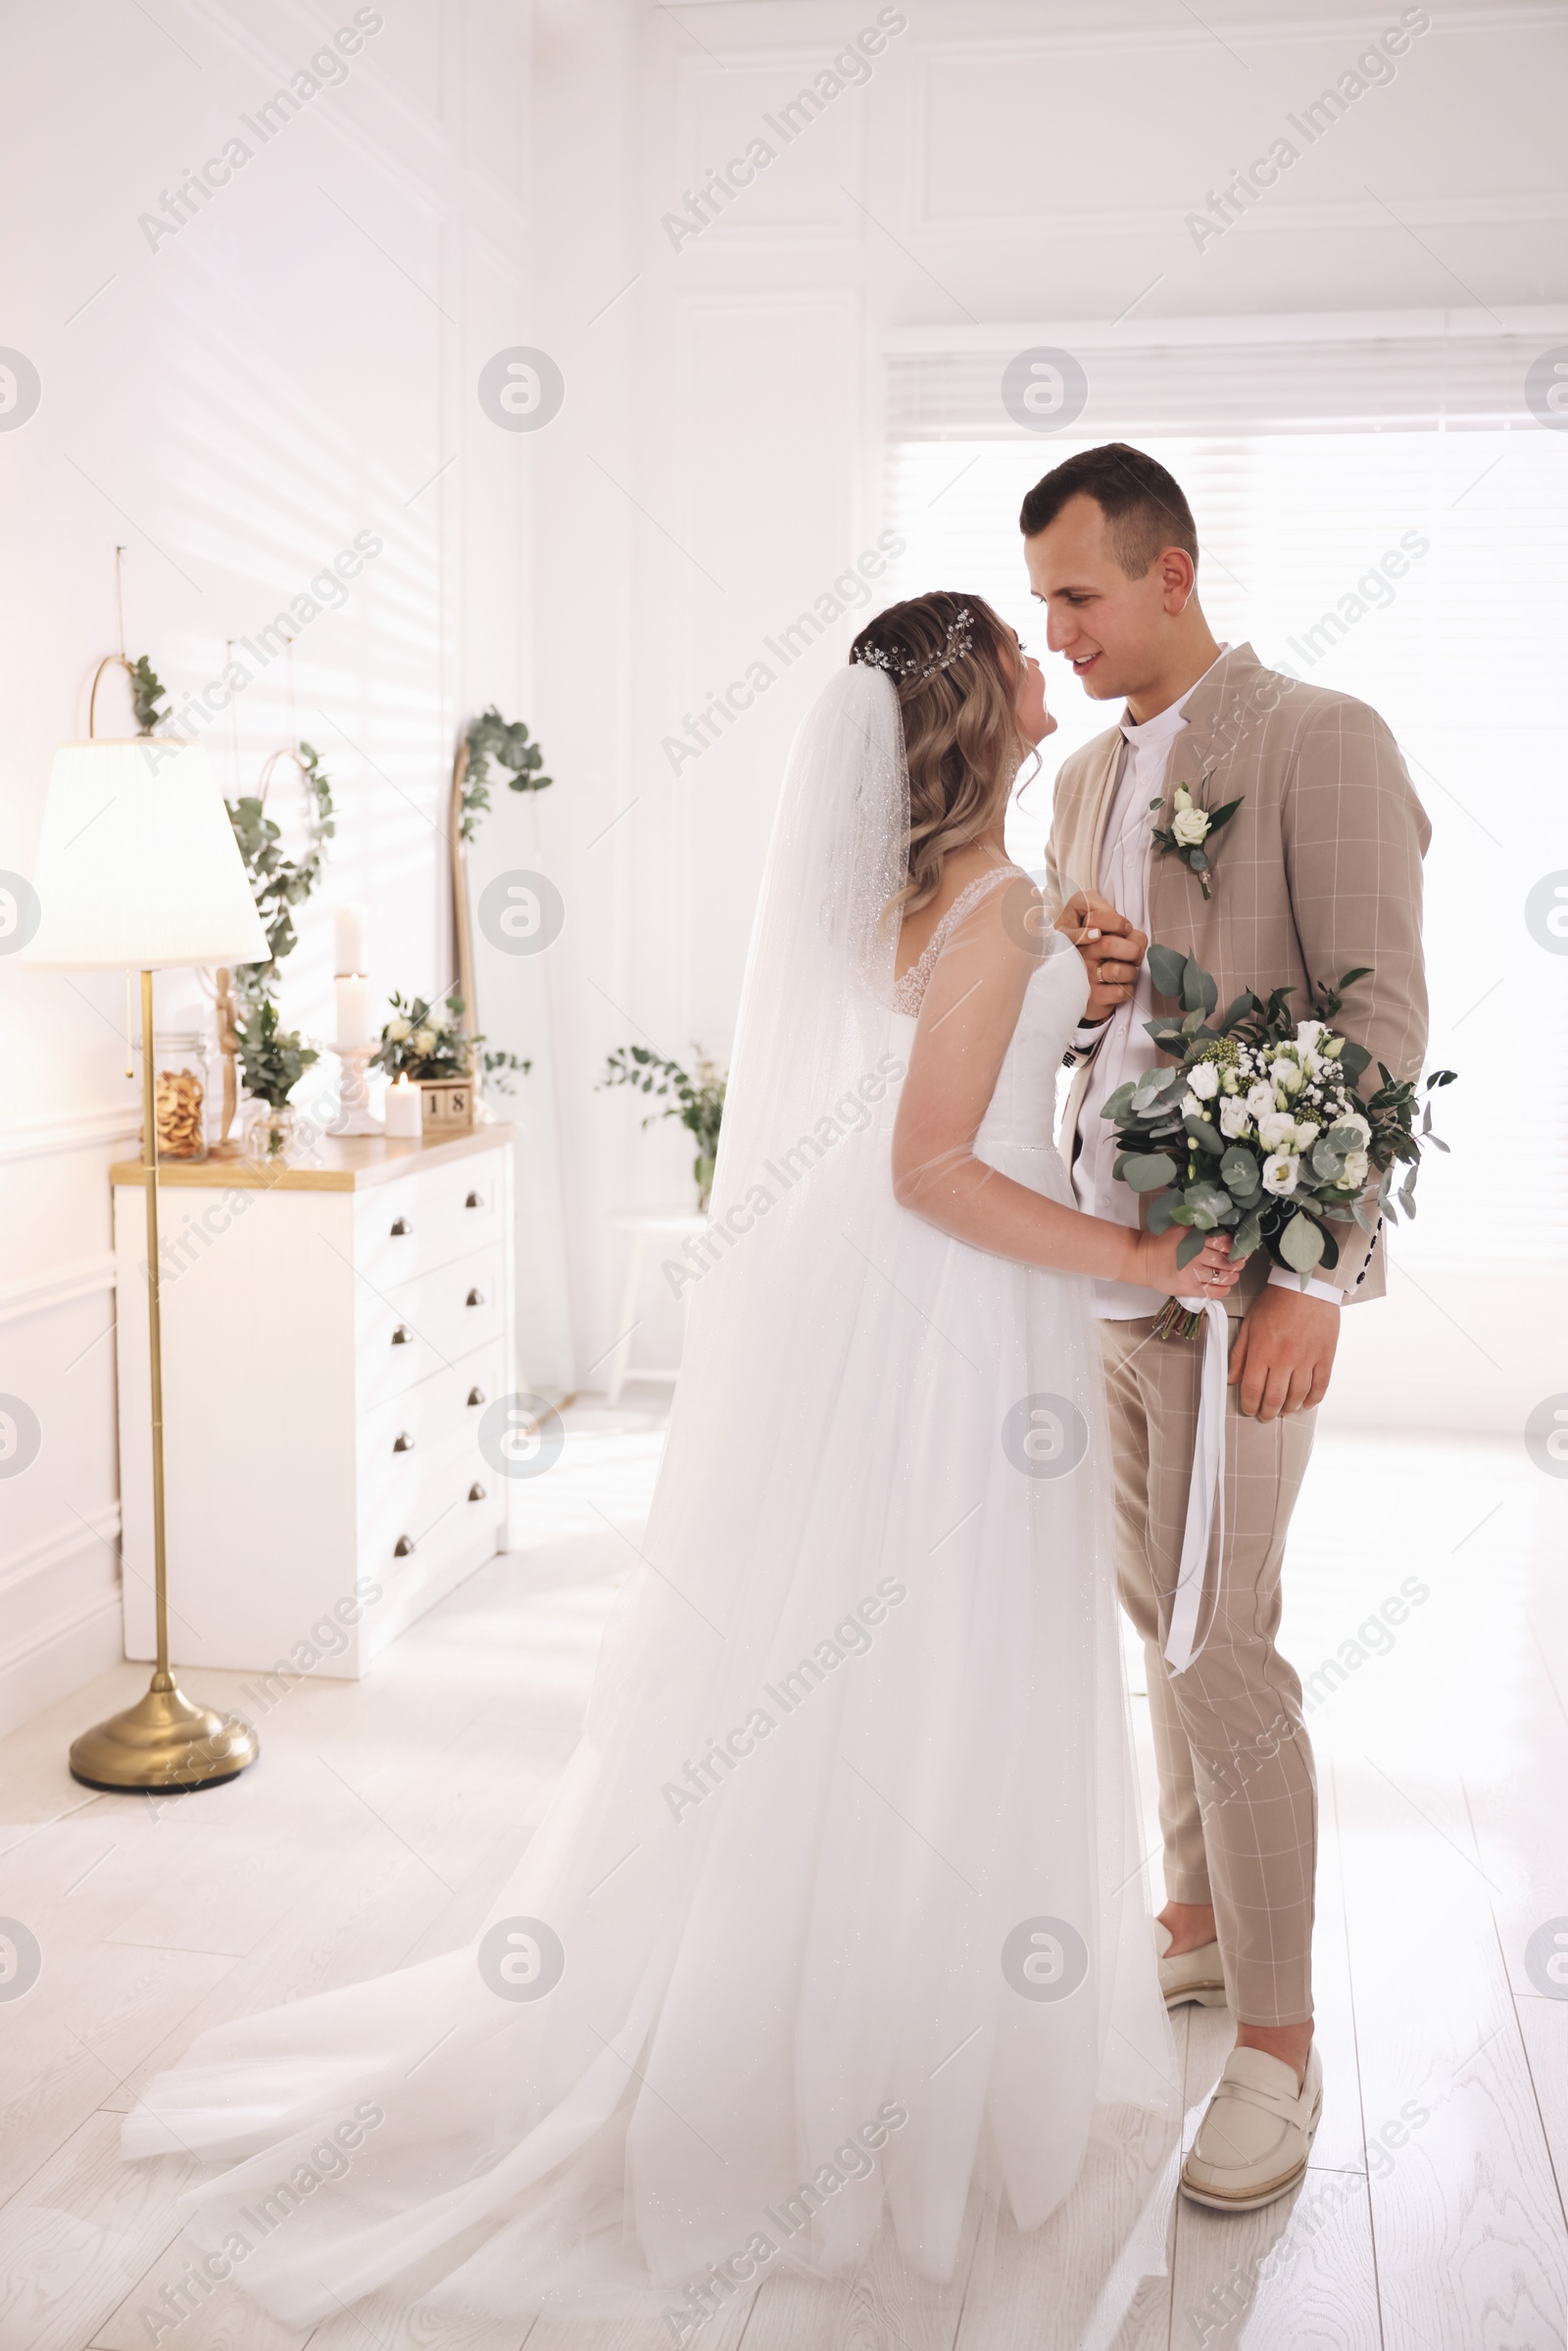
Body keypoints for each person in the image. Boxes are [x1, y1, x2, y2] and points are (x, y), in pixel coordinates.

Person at [123, 592, 1238, 2331]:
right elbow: (935, 1167)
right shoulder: (996, 903)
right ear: (977, 712)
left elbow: (933, 1083)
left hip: (895, 1333)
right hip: (963, 1332)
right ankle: (893, 2086)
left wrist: (1074, 1002)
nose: (1046, 666)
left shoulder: (907, 900)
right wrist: (1149, 1262)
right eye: (1018, 657)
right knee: (946, 1678)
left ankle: (817, 2031)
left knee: (863, 1680)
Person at [1024, 444, 1430, 2211]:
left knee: (1224, 1643)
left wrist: (1311, 1276)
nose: (1056, 637)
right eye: (1042, 602)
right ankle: (1189, 1920)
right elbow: (1082, 1025)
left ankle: (1279, 2047)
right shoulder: (1081, 782)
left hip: (1246, 1274)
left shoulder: (1319, 738)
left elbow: (1379, 1023)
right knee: (1154, 1616)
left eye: (1079, 599)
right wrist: (1084, 990)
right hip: (1102, 1269)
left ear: (1173, 572)